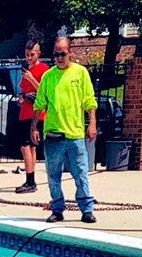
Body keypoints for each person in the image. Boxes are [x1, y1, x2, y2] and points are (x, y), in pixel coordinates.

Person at [32, 37, 98, 224]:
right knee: (53, 176)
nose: (59, 58)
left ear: (70, 52)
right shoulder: (48, 76)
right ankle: (57, 209)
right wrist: (34, 126)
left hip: (75, 134)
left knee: (81, 173)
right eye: (56, 54)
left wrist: (91, 124)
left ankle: (86, 209)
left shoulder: (81, 73)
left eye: (62, 54)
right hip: (54, 134)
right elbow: (39, 103)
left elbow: (89, 101)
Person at [14, 41, 51, 194]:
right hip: (25, 112)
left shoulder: (44, 69)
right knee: (30, 147)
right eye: (27, 55)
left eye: (32, 55)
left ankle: (30, 180)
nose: (29, 58)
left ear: (39, 54)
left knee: (26, 146)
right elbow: (20, 95)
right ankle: (30, 180)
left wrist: (31, 79)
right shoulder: (26, 70)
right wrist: (23, 97)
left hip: (37, 114)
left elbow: (45, 91)